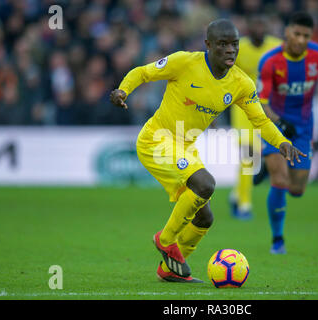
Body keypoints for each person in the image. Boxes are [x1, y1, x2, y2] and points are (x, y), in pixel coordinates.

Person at [110, 19, 305, 283]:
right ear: (208, 45)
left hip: (186, 146)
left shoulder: (241, 83)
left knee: (205, 217)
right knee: (205, 184)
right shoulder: (184, 62)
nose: (230, 50)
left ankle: (170, 269)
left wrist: (281, 142)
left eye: (234, 44)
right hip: (156, 140)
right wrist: (123, 90)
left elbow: (260, 120)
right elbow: (143, 72)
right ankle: (165, 240)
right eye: (223, 45)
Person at [256, 12, 318, 254]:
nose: (301, 40)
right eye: (297, 33)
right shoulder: (270, 61)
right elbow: (261, 102)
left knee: (297, 190)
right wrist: (280, 122)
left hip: (303, 127)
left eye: (306, 35)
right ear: (286, 32)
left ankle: (264, 167)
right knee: (279, 180)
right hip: (275, 125)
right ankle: (277, 240)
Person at [229, 14, 283, 220]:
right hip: (243, 108)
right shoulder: (238, 47)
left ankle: (236, 194)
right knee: (248, 154)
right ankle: (244, 205)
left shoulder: (276, 47)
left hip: (267, 108)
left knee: (254, 157)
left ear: (267, 26)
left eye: (262, 23)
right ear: (249, 28)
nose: (259, 28)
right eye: (255, 23)